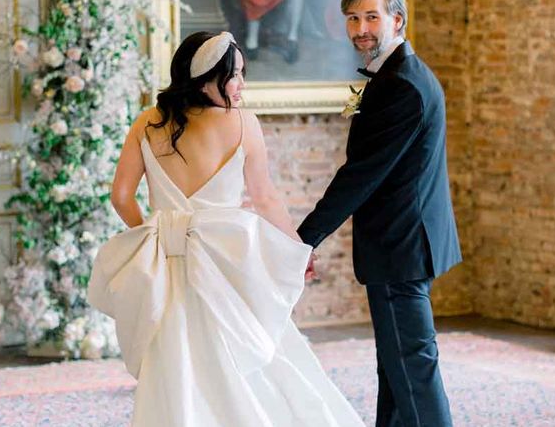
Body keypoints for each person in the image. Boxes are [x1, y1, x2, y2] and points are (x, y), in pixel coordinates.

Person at [88, 31, 364, 426]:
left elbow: (120, 197)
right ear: (204, 79)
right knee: (255, 359)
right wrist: (298, 249)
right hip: (226, 266)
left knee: (175, 361)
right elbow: (265, 198)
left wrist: (158, 236)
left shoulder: (146, 122)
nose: (241, 85)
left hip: (165, 267)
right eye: (233, 76)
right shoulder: (242, 123)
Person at [297, 0, 462, 427]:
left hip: (399, 246)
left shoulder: (401, 86)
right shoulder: (398, 75)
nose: (361, 28)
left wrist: (304, 239)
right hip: (404, 242)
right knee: (397, 366)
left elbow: (361, 174)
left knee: (412, 367)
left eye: (372, 17)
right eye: (353, 18)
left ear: (397, 20)